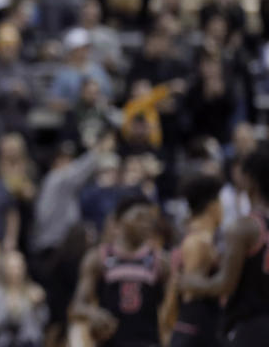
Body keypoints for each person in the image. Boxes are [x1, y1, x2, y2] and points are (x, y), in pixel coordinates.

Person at [180, 145, 269, 346]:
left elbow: (224, 284)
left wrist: (190, 282)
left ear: (250, 180)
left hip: (250, 328)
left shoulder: (245, 227)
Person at [70, 193, 169, 347]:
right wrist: (93, 314)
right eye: (139, 218)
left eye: (149, 220)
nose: (146, 224)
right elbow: (76, 307)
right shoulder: (98, 258)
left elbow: (170, 310)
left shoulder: (160, 260)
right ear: (119, 221)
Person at [161, 175, 222, 347]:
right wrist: (166, 327)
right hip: (195, 329)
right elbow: (186, 290)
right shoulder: (198, 241)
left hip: (199, 327)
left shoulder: (197, 238)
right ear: (213, 206)